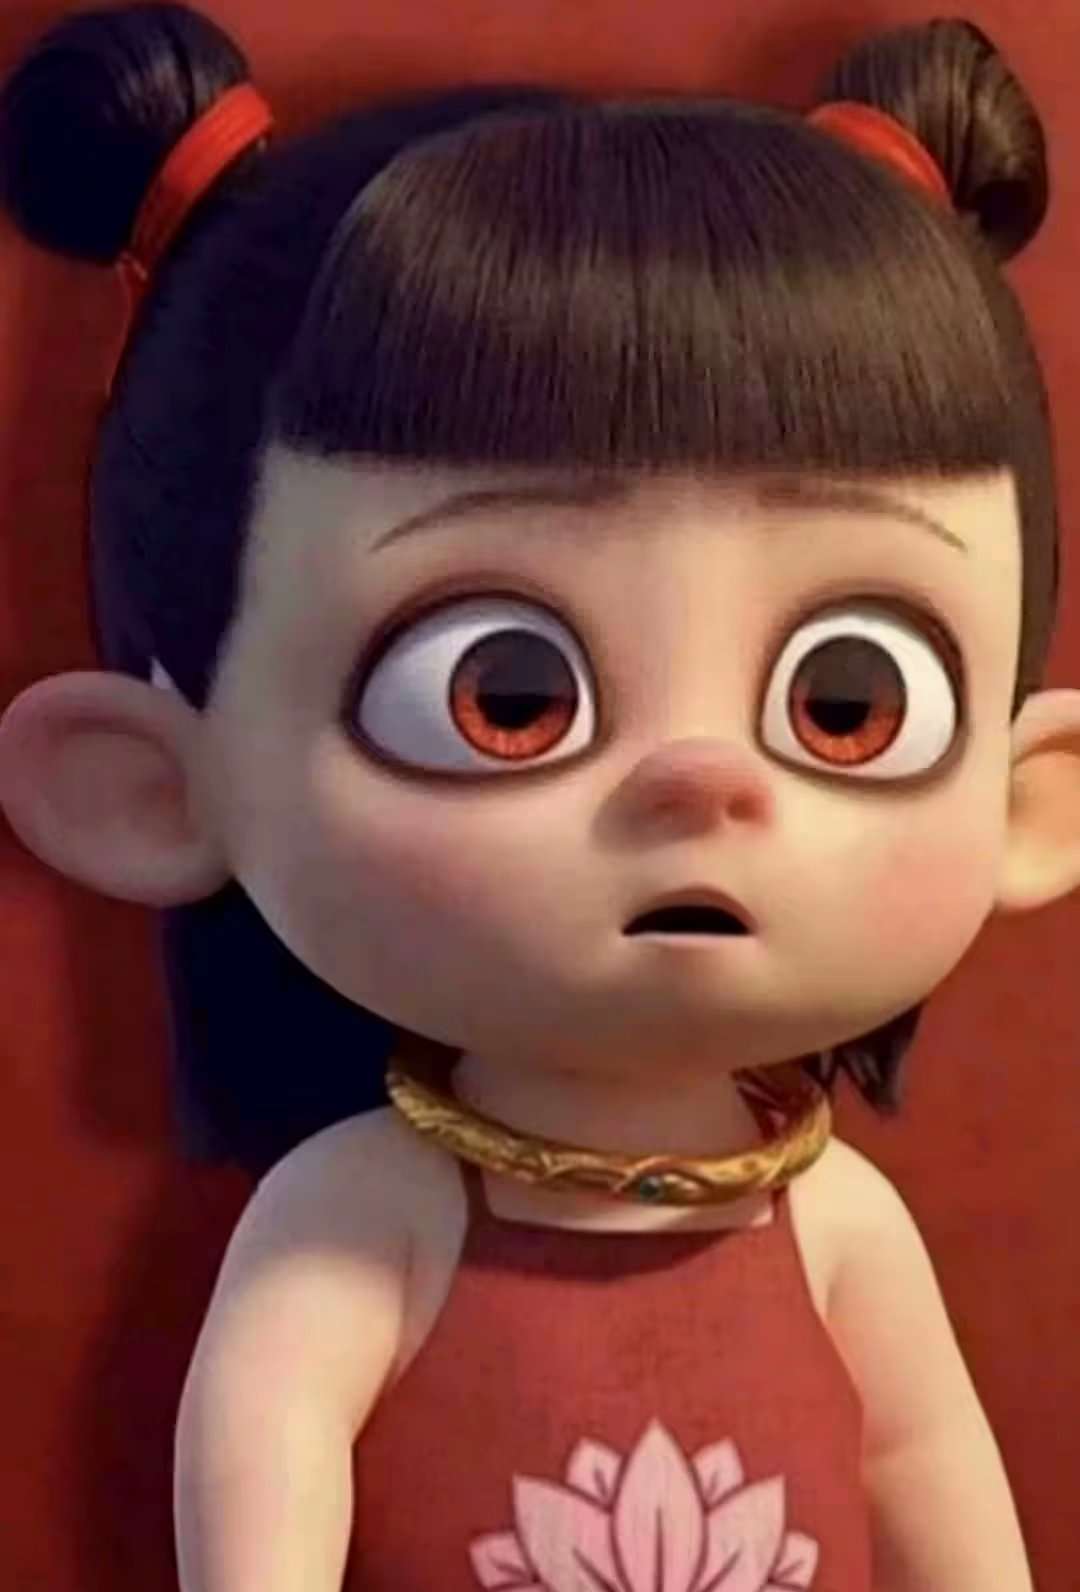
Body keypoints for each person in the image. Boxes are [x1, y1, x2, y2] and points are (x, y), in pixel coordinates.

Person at [1, 5, 1076, 1587]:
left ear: (1030, 800)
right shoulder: (359, 1214)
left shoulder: (842, 1222)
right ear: (150, 786)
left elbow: (927, 1473)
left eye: (846, 704)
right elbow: (266, 1482)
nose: (703, 783)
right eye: (506, 695)